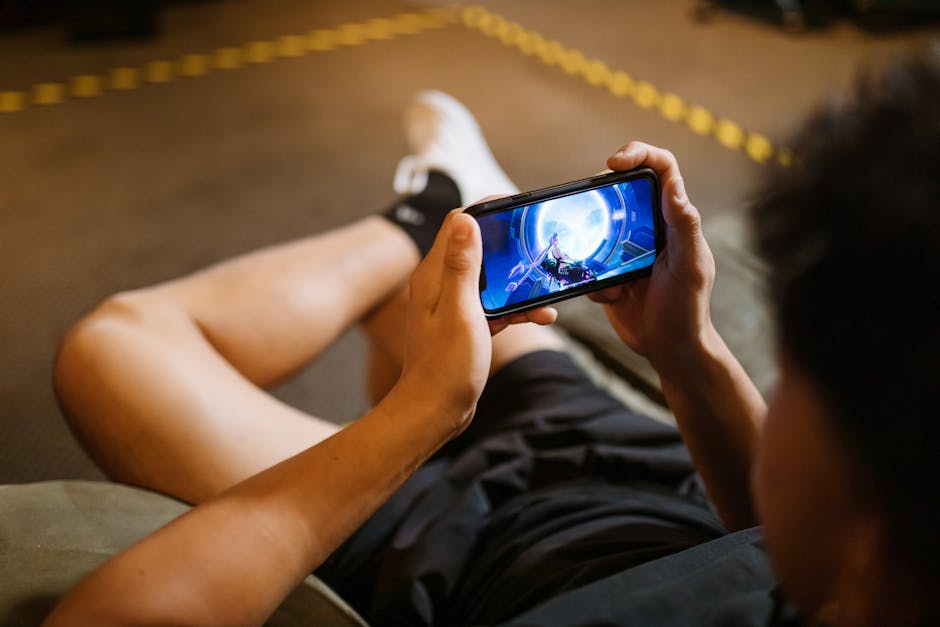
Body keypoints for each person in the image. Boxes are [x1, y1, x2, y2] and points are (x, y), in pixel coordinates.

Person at [45, 49, 938, 627]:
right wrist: (686, 346)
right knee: (444, 295)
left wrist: (418, 417)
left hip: (450, 548)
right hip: (634, 467)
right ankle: (440, 217)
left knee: (113, 345)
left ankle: (427, 209)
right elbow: (780, 541)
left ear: (871, 515)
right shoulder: (881, 573)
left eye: (795, 383)